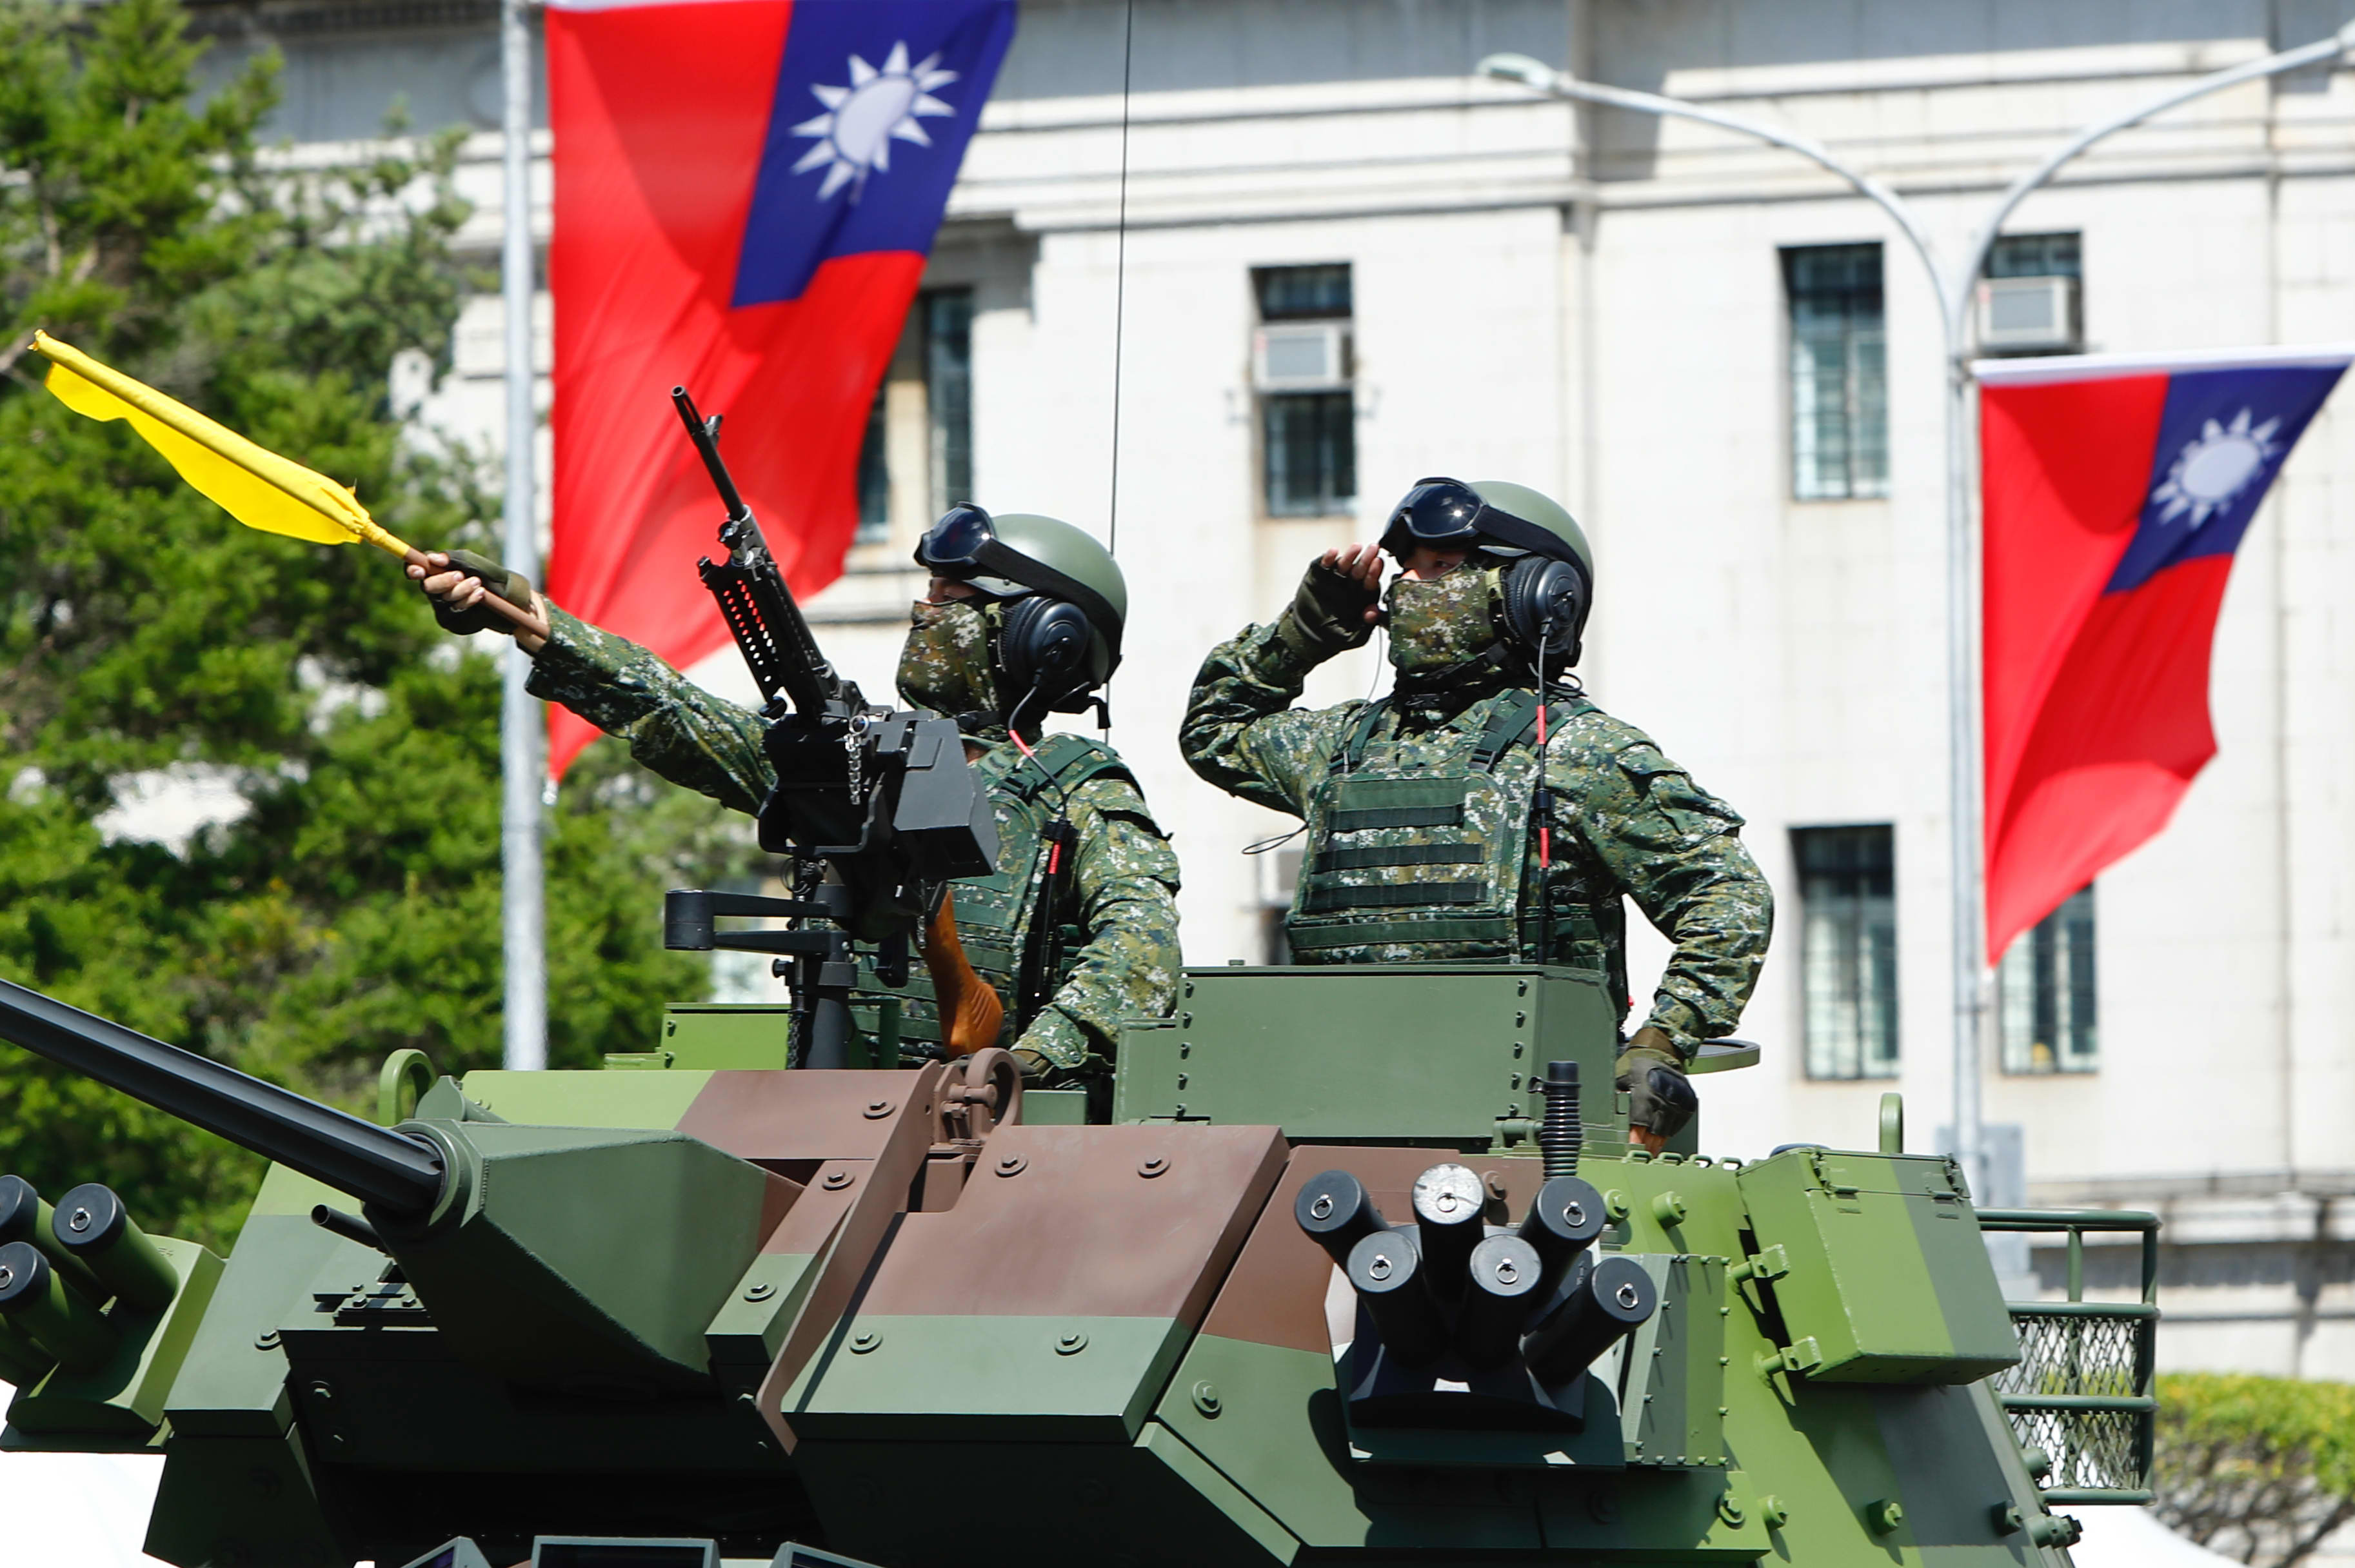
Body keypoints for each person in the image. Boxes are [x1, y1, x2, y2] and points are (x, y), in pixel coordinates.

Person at [413, 506, 1182, 1086]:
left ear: (1040, 637)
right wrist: (538, 625)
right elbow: (680, 716)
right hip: (828, 1112)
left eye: (949, 598)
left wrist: (1022, 1067)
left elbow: (1141, 953)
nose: (925, 610)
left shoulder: (1075, 787)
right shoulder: (865, 755)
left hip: (992, 1141)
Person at [1180, 477, 1771, 1149]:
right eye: (1405, 569)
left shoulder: (1580, 752)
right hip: (1331, 1125)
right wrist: (1305, 631)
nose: (1407, 587)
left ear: (1532, 593)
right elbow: (1214, 730)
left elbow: (1729, 896)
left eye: (1441, 568)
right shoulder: (1339, 746)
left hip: (1531, 1137)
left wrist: (1663, 1042)